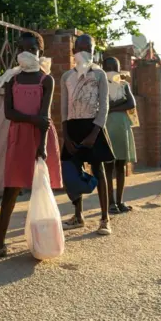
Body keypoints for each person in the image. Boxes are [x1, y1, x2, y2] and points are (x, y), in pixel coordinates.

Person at [0, 32, 62, 261]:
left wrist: (42, 145)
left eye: (31, 49)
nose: (25, 53)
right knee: (11, 188)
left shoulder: (46, 80)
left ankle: (43, 238)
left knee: (41, 187)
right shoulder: (12, 79)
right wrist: (32, 119)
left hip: (40, 136)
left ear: (40, 52)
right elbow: (9, 113)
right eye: (21, 49)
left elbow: (44, 117)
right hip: (19, 137)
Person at [61, 34, 114, 235]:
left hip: (93, 127)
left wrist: (95, 132)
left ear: (93, 51)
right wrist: (65, 135)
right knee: (72, 171)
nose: (84, 52)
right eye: (80, 48)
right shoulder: (67, 76)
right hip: (73, 128)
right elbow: (64, 108)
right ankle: (78, 215)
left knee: (98, 170)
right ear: (74, 50)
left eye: (88, 49)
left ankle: (104, 218)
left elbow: (104, 106)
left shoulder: (99, 75)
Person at [102, 57, 137, 214]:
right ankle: (111, 203)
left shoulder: (124, 85)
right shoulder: (100, 85)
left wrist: (111, 107)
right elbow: (100, 105)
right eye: (107, 67)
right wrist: (118, 105)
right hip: (106, 128)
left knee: (121, 166)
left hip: (122, 127)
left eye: (113, 67)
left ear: (118, 69)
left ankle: (120, 201)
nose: (110, 70)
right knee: (108, 167)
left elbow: (131, 103)